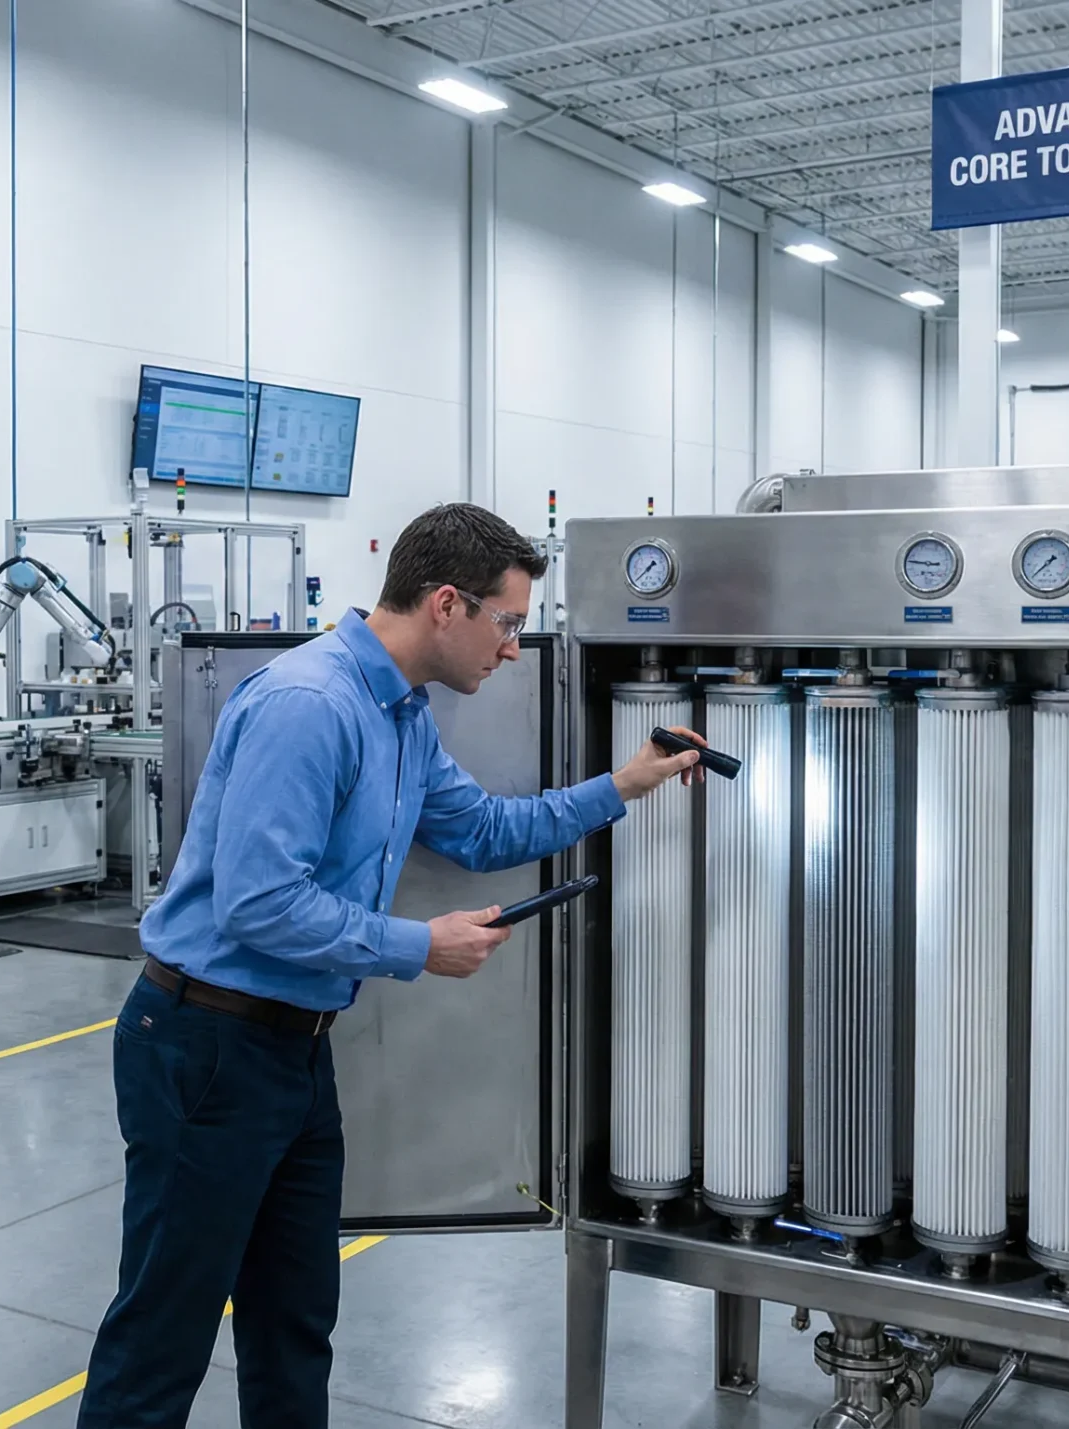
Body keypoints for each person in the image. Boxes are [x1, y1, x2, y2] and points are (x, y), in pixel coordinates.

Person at [78, 502, 705, 1428]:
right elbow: (258, 903)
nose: (511, 649)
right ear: (446, 604)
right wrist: (421, 945)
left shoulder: (402, 715)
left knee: (294, 1323)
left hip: (291, 1053)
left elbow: (488, 828)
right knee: (163, 1334)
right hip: (205, 1046)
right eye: (509, 622)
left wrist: (625, 784)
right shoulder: (313, 705)